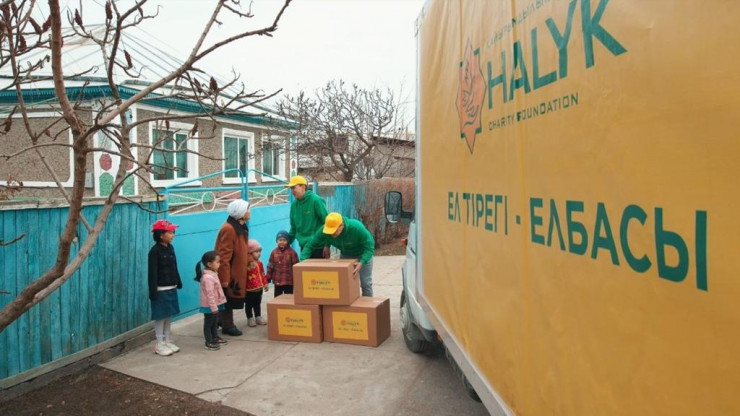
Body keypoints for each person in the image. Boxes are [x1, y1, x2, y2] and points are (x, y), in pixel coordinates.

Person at [300, 212, 376, 297]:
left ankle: (368, 304)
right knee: (343, 283)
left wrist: (362, 262)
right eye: (329, 232)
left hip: (363, 255)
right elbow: (310, 245)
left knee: (366, 284)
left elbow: (369, 248)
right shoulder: (324, 231)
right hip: (346, 255)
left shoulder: (357, 228)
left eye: (334, 231)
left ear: (341, 226)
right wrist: (302, 262)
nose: (331, 234)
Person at [215, 199, 251, 336]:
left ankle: (221, 320)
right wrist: (224, 279)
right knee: (227, 298)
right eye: (247, 209)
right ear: (240, 213)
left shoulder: (240, 226)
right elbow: (223, 256)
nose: (249, 212)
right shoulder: (229, 229)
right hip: (230, 272)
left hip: (237, 270)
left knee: (229, 298)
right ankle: (227, 325)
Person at [148, 219, 183, 356]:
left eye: (173, 232)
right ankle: (159, 343)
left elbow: (174, 266)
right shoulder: (154, 251)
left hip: (171, 287)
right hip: (161, 289)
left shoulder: (170, 248)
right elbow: (152, 272)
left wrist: (178, 281)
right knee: (161, 316)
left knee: (169, 315)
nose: (172, 235)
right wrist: (153, 291)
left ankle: (167, 340)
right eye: (170, 232)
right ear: (161, 235)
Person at [285, 175, 330, 259]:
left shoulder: (316, 200)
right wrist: (286, 244)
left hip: (319, 247)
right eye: (291, 188)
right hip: (304, 246)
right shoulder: (294, 205)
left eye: (294, 188)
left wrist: (327, 244)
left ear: (303, 187)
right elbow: (293, 228)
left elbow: (328, 223)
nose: (292, 191)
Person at [194, 251, 228, 351]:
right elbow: (210, 294)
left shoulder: (213, 274)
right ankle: (208, 342)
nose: (219, 264)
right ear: (209, 264)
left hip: (215, 304)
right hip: (210, 306)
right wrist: (213, 307)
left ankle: (215, 337)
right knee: (209, 323)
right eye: (217, 262)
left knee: (214, 322)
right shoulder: (207, 278)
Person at [266, 230, 299, 298]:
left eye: (284, 240)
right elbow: (270, 265)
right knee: (277, 299)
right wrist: (268, 277)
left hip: (288, 282)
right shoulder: (274, 252)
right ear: (277, 241)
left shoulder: (292, 253)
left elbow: (296, 266)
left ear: (287, 241)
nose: (282, 242)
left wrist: (297, 279)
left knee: (288, 299)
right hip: (277, 281)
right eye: (280, 240)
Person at [245, 239, 269, 327]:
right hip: (249, 290)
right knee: (248, 305)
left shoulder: (260, 263)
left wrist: (265, 283)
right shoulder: (245, 265)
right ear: (249, 253)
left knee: (257, 304)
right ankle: (250, 318)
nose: (259, 253)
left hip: (259, 288)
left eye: (259, 251)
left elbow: (262, 273)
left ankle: (258, 317)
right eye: (256, 252)